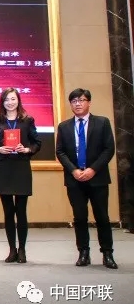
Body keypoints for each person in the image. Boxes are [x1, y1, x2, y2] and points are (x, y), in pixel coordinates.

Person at [55, 88, 117, 269]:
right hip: (74, 179)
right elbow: (60, 152)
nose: (78, 104)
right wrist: (73, 170)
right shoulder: (64, 126)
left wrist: (93, 169)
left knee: (102, 216)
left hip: (97, 178)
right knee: (80, 217)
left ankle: (107, 253)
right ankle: (83, 252)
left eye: (81, 100)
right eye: (74, 101)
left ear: (89, 102)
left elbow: (109, 149)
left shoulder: (102, 123)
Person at [0, 88, 41, 264]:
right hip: (4, 168)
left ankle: (22, 249)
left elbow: (37, 143)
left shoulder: (27, 120)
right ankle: (12, 249)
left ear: (18, 100)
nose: (10, 102)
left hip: (21, 167)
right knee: (8, 212)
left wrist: (27, 149)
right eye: (6, 100)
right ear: (2, 102)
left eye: (13, 99)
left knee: (21, 211)